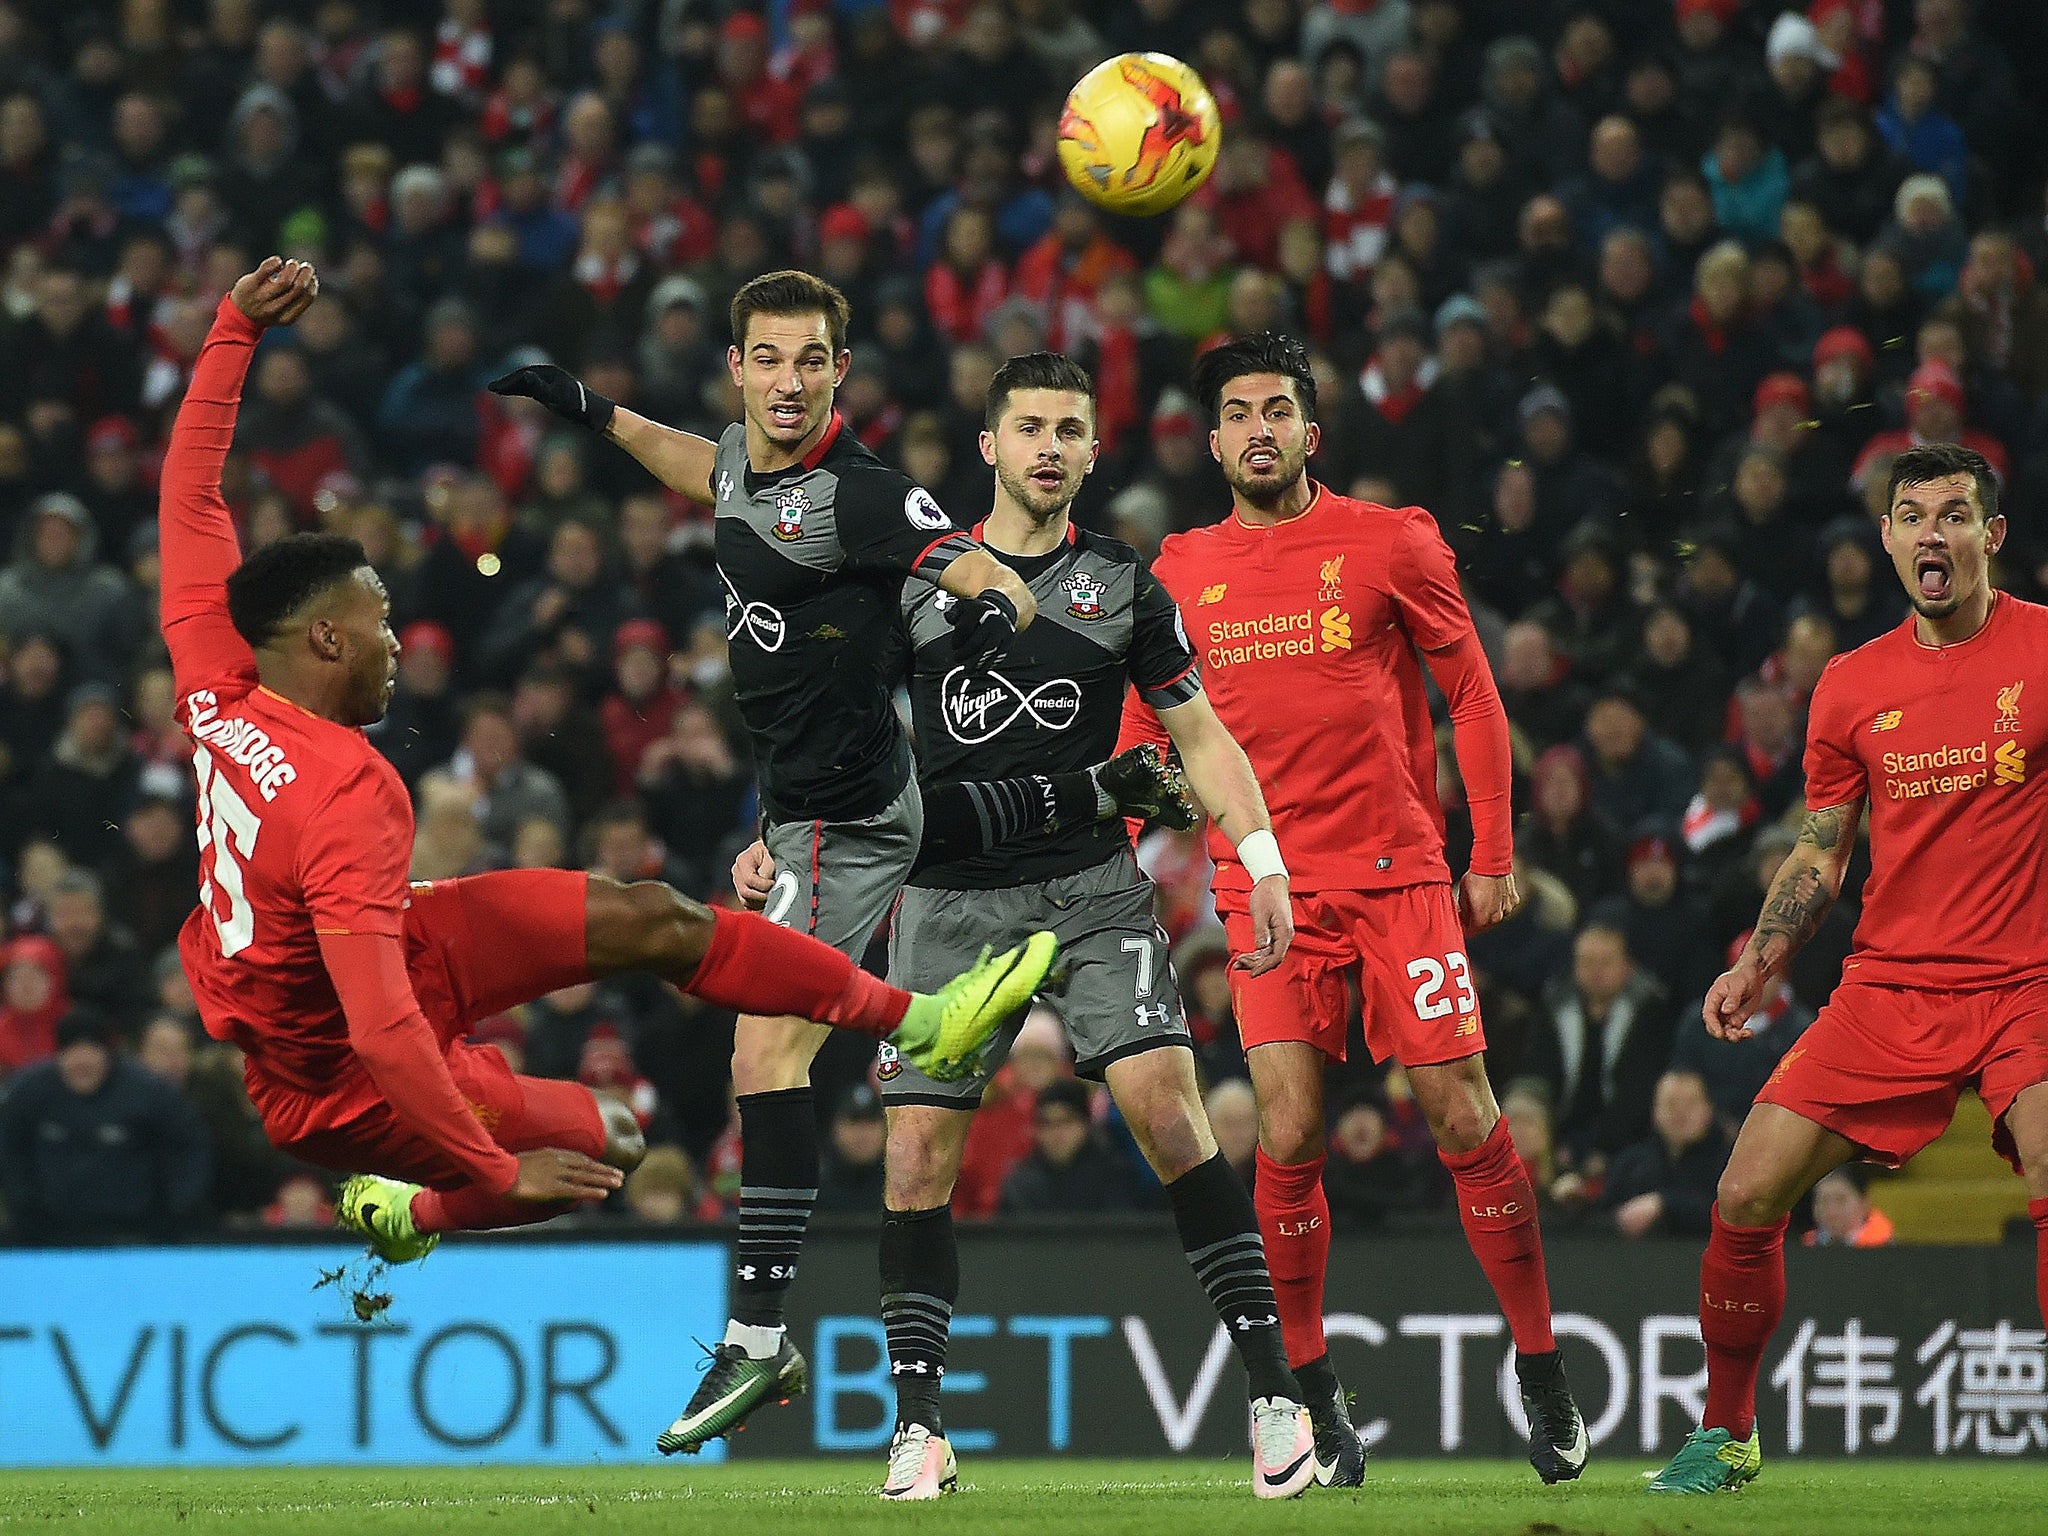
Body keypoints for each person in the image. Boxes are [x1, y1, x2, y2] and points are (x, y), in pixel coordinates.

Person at [161, 262, 1052, 1285]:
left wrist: (233, 327)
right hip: (340, 1076)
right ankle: (407, 1211)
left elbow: (188, 494)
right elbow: (382, 1030)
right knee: (615, 1138)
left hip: (382, 945)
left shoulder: (215, 676)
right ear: (323, 636)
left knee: (655, 916)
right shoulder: (347, 791)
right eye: (380, 623)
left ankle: (924, 1021)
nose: (400, 643)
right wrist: (486, 1171)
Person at [731, 354, 1313, 1499]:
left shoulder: (1121, 583)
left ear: (1093, 453)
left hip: (1091, 889)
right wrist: (771, 833)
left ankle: (1273, 1396)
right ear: (987, 449)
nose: (1049, 446)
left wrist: (1260, 860)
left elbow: (1201, 739)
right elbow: (832, 729)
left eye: (1069, 430)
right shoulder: (913, 578)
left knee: (1163, 1104)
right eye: (1028, 427)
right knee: (912, 1155)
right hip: (945, 899)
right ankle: (920, 1428)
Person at [490, 268, 1051, 1452]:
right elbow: (694, 464)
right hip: (793, 817)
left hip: (844, 818)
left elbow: (967, 561)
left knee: (764, 1042)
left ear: (838, 371)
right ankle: (762, 1332)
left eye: (810, 360)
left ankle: (755, 1341)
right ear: (737, 367)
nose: (788, 381)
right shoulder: (745, 465)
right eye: (767, 360)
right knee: (764, 1048)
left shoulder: (857, 496)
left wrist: (993, 608)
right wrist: (588, 409)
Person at [1119, 332, 1586, 1486]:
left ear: (1308, 433)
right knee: (1281, 1131)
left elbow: (1469, 689)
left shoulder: (1390, 540)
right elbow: (1144, 737)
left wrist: (1492, 844)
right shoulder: (1175, 571)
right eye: (1236, 412)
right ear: (1212, 438)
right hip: (1264, 883)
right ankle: (1312, 1389)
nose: (1258, 429)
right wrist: (1118, 852)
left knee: (1463, 1116)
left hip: (1398, 877)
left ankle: (1539, 1369)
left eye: (1277, 408)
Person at [1651, 444, 2048, 1494]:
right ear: (1883, 538)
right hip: (1888, 988)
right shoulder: (1849, 685)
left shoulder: (2043, 653)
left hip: (2026, 984)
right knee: (1742, 1192)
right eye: (1910, 515)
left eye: (1954, 516)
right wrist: (1759, 959)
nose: (1932, 534)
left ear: (1989, 537)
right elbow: (1820, 851)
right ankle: (1725, 1438)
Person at [0, 1008, 211, 1243]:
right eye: (72, 1052)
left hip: (135, 1234)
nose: (83, 1061)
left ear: (108, 1054)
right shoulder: (29, 1092)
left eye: (92, 1051)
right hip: (50, 1234)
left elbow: (190, 1144)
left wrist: (178, 1206)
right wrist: (23, 1205)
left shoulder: (148, 1092)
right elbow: (10, 1148)